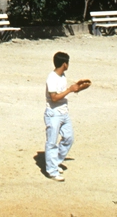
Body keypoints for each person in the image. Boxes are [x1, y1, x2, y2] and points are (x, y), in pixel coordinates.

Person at [44, 51, 91, 182]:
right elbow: (54, 98)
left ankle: (55, 161)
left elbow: (64, 93)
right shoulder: (51, 78)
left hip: (63, 112)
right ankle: (52, 171)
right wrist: (70, 90)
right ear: (64, 64)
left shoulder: (62, 76)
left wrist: (77, 88)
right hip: (53, 114)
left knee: (68, 138)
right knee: (52, 143)